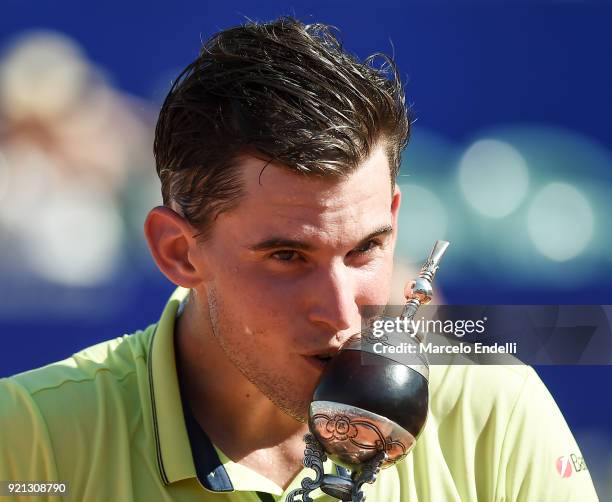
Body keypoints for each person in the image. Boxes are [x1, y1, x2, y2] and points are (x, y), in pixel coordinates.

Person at [0, 17, 598, 502]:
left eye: (367, 247)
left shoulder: (496, 410)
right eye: (287, 256)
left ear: (394, 215)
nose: (342, 313)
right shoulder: (28, 445)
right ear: (178, 251)